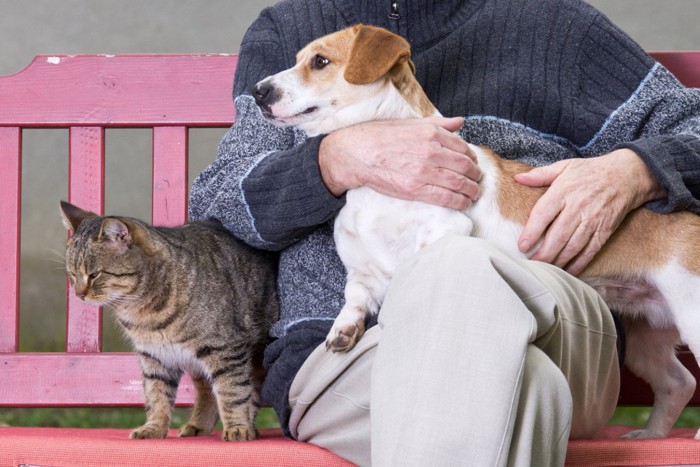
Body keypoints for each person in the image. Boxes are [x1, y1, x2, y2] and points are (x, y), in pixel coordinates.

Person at [189, 0, 700, 465]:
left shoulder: (556, 24)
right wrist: (331, 161)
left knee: (457, 260)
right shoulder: (289, 30)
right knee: (525, 393)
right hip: (346, 361)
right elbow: (217, 200)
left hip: (556, 333)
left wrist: (637, 169)